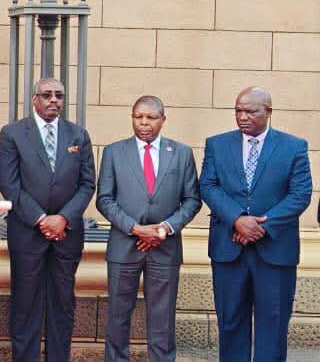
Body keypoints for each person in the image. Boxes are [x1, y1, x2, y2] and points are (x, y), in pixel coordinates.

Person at [200, 86, 311, 362]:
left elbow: (300, 194)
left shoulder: (294, 147)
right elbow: (208, 185)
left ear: (268, 112)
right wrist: (237, 219)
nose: (243, 117)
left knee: (273, 326)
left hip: (275, 252)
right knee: (230, 323)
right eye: (238, 111)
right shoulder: (217, 144)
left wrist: (261, 227)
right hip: (229, 250)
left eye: (250, 111)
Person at [0, 77, 95, 362]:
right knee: (25, 306)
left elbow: (87, 184)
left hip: (66, 236)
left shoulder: (78, 135)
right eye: (47, 95)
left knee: (63, 305)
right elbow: (9, 184)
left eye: (59, 95)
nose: (54, 100)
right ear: (34, 99)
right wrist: (41, 219)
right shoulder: (13, 134)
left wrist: (63, 218)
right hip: (27, 234)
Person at [95, 96, 201, 361]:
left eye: (151, 117)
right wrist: (135, 229)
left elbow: (192, 200)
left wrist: (165, 228)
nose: (144, 123)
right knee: (118, 316)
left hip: (165, 247)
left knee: (163, 319)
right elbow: (104, 199)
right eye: (138, 117)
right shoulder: (114, 152)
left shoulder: (181, 153)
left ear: (163, 120)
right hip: (124, 246)